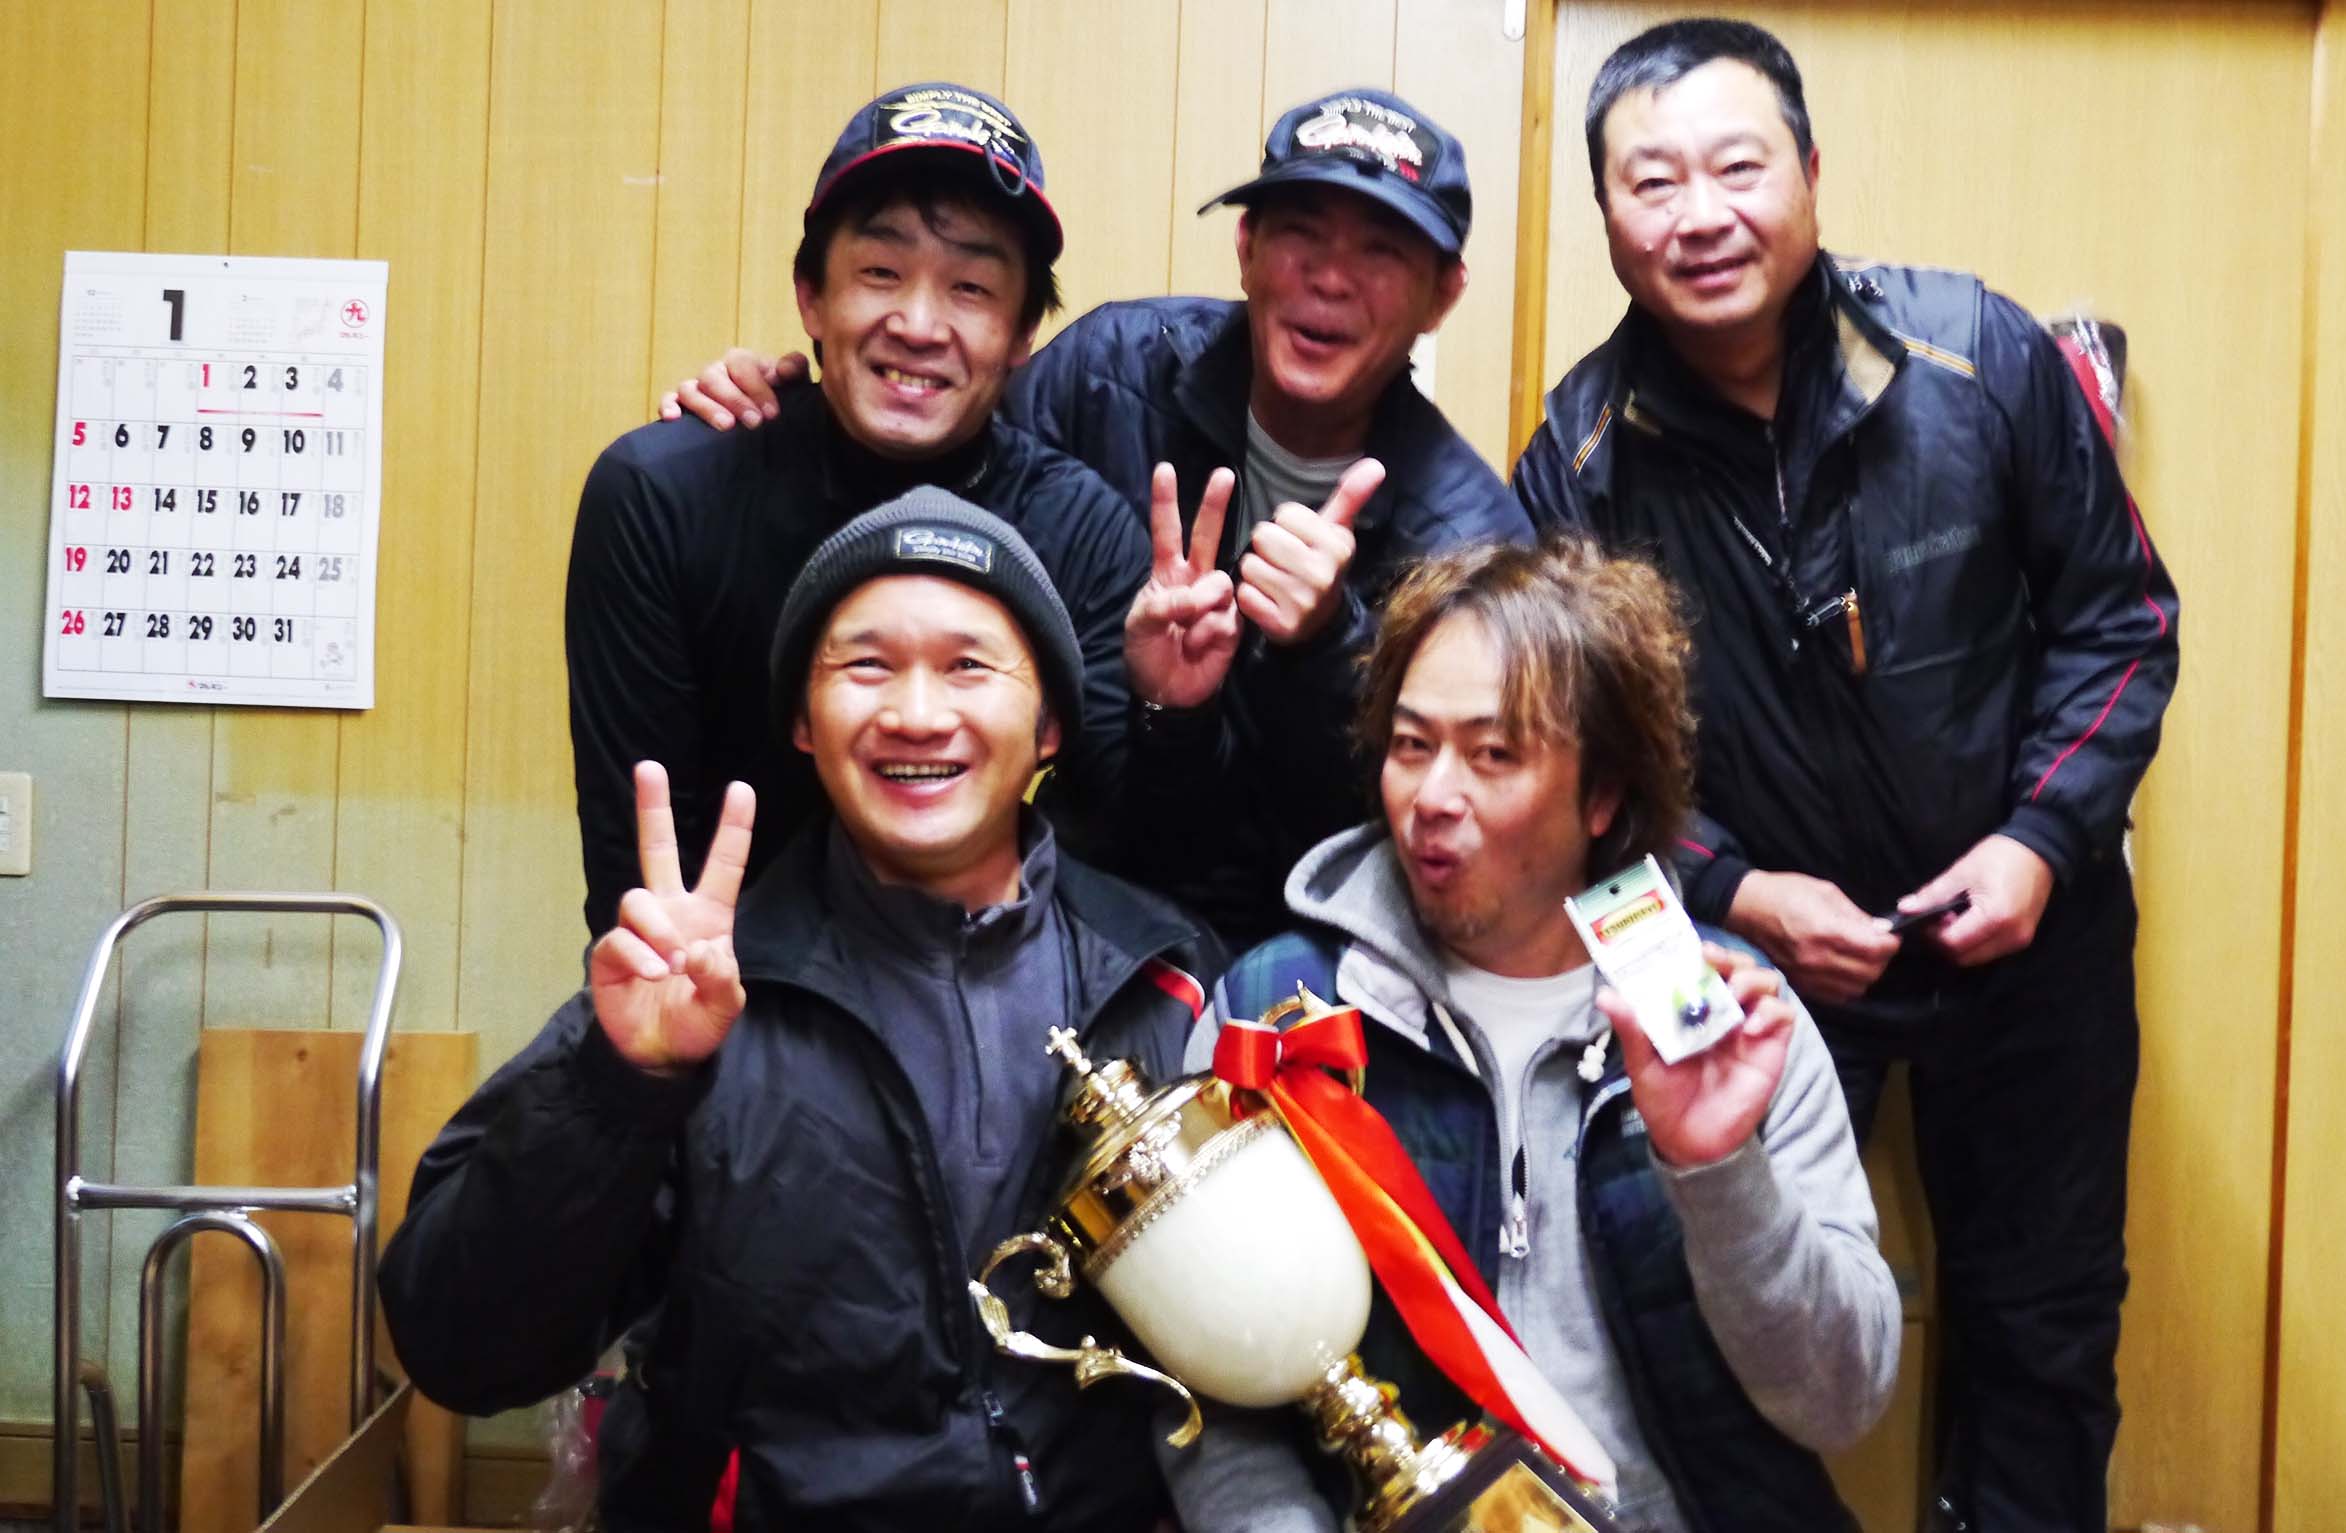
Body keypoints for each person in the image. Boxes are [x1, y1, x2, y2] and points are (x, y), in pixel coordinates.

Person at [1513, 20, 2182, 1531]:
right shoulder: (1577, 458)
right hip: (1749, 968)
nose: (1700, 215)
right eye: (1651, 182)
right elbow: (1568, 764)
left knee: (2041, 1334)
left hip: (2031, 943)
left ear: (1810, 173)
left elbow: (2120, 621)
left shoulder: (1977, 357)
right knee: (1723, 1332)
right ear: (1606, 214)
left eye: (1737, 167)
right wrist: (1737, 893)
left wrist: (2037, 841)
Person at [382, 491, 1224, 1530]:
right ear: (800, 721)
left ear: (1050, 723)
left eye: (968, 665)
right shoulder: (704, 995)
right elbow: (458, 1347)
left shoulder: (1168, 981)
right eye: (866, 665)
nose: (916, 713)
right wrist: (620, 1088)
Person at [662, 88, 1532, 944]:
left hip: (1316, 946)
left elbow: (1431, 823)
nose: (1330, 279)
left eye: (1381, 251)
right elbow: (933, 460)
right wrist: (790, 409)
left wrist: (1327, 646)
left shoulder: (1468, 542)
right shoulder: (1111, 372)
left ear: (1441, 295)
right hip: (1061, 914)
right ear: (1246, 248)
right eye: (1300, 234)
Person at [1171, 538, 1900, 1533]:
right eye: (1410, 745)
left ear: (1602, 796)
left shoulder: (1722, 1015)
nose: (1433, 798)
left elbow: (1840, 1400)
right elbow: (1209, 1392)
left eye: (1493, 755)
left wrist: (1719, 1172)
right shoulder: (1276, 1015)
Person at [566, 81, 1204, 938]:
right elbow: (637, 867)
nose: (918, 323)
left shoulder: (1076, 528)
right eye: (879, 273)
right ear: (811, 296)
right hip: (723, 985)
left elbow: (1132, 860)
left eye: (971, 287)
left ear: (1022, 333)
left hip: (986, 983)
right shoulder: (666, 496)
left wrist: (1171, 715)